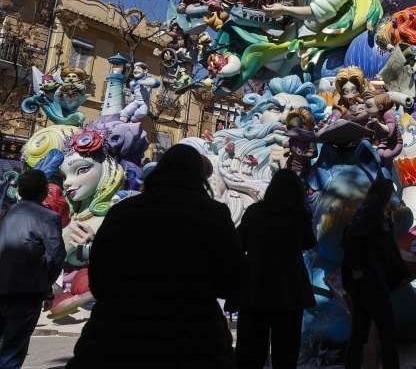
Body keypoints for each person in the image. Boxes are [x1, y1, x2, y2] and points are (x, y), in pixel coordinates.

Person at [66, 144, 242, 369]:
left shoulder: (123, 211)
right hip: (192, 338)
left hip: (117, 335)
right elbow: (232, 281)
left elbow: (99, 278)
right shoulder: (214, 214)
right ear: (199, 178)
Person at [232, 169, 316, 369]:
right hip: (289, 290)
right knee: (286, 353)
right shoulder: (298, 217)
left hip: (255, 288)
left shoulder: (254, 212)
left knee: (250, 353)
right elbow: (309, 242)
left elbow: (238, 243)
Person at [0, 169, 66, 369]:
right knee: (13, 347)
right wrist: (46, 287)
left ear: (19, 190)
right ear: (44, 192)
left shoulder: (7, 213)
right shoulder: (48, 217)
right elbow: (57, 256)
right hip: (27, 292)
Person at [341, 177, 407, 369]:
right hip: (372, 282)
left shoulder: (372, 211)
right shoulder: (371, 213)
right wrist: (358, 270)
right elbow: (354, 240)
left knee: (359, 333)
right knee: (387, 332)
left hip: (367, 282)